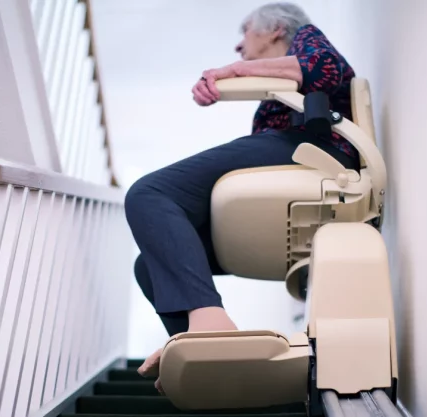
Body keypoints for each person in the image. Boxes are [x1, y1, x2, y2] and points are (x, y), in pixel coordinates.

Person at [124, 2, 358, 392]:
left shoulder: (305, 38)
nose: (238, 46)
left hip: (313, 149)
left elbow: (325, 68)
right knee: (148, 264)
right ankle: (210, 359)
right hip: (291, 154)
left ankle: (209, 325)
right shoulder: (279, 77)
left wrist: (230, 73)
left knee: (150, 193)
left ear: (275, 29)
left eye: (246, 30)